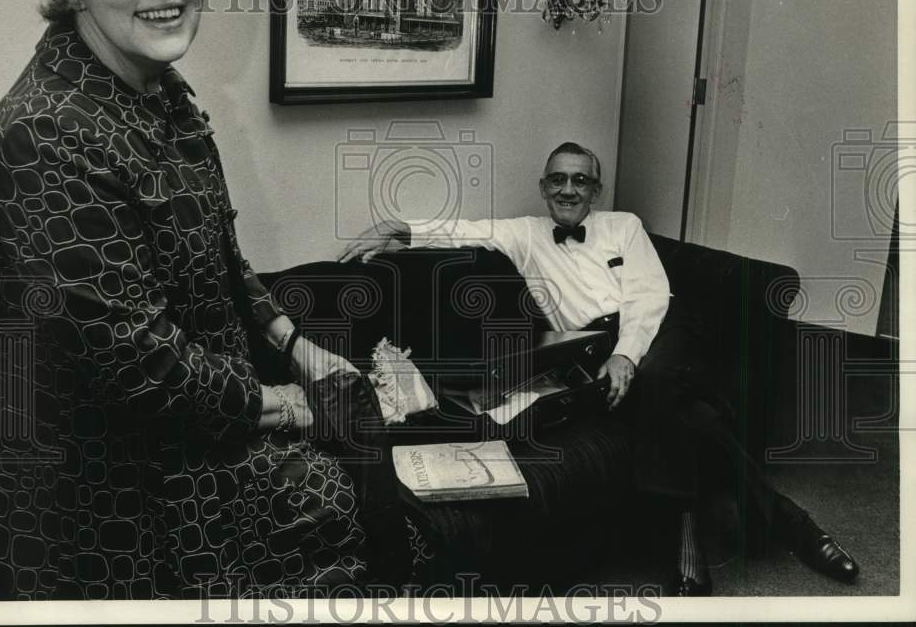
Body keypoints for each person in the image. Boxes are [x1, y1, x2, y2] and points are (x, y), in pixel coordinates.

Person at [0, 0, 426, 600]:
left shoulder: (166, 95)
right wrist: (284, 406)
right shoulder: (45, 130)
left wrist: (296, 346)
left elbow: (221, 257)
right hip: (107, 507)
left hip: (192, 451)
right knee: (342, 503)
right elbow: (136, 363)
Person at [340, 141, 860, 596]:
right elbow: (462, 229)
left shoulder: (624, 225)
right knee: (689, 415)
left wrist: (626, 356)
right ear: (544, 187)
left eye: (581, 180)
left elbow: (649, 295)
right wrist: (399, 229)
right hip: (594, 346)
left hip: (661, 326)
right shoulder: (524, 234)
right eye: (559, 180)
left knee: (653, 382)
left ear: (597, 189)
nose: (569, 190)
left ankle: (687, 537)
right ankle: (787, 524)